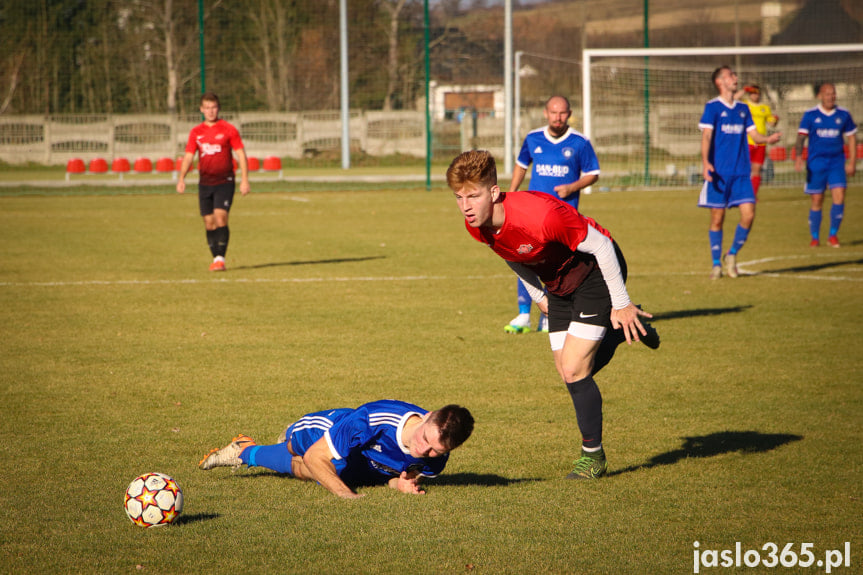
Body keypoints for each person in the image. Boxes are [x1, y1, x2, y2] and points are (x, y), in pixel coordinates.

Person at [446, 150, 658, 480]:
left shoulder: (540, 216)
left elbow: (601, 246)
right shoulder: (476, 225)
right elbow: (510, 254)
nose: (466, 206)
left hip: (594, 272)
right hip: (557, 282)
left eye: (473, 196)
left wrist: (621, 303)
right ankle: (616, 333)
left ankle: (593, 458)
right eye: (459, 197)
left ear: (494, 192)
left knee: (574, 369)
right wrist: (538, 296)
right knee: (566, 371)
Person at [198, 400, 474, 499]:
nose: (422, 449)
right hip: (329, 426)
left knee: (339, 469)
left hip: (363, 455)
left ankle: (246, 449)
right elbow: (315, 457)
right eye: (425, 438)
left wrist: (397, 484)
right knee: (312, 456)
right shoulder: (373, 419)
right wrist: (346, 496)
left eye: (434, 450)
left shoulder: (435, 460)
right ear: (426, 416)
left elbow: (390, 475)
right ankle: (250, 451)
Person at [505, 95, 601, 334]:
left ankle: (550, 316)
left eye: (563, 113)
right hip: (530, 214)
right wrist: (512, 192)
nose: (558, 118)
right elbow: (521, 164)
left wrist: (572, 187)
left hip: (563, 219)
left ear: (569, 114)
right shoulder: (533, 138)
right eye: (553, 113)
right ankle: (524, 314)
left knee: (555, 267)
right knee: (524, 258)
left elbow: (593, 173)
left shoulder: (580, 142)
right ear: (546, 113)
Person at [699, 66, 781, 279]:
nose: (735, 78)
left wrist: (768, 139)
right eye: (730, 75)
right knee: (717, 219)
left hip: (741, 174)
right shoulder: (713, 107)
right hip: (719, 173)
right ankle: (716, 264)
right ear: (719, 82)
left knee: (749, 215)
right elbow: (707, 136)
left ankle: (732, 254)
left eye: (734, 75)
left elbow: (754, 134)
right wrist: (705, 162)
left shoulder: (743, 109)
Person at [176, 92, 250, 271]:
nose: (210, 111)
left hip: (225, 181)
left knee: (220, 217)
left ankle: (220, 259)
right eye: (207, 108)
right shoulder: (196, 132)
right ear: (201, 110)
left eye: (214, 107)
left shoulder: (229, 129)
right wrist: (181, 178)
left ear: (218, 108)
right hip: (205, 183)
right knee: (209, 222)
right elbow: (188, 156)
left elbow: (240, 153)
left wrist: (245, 180)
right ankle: (216, 257)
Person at [794, 82, 857, 248]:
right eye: (828, 94)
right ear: (820, 96)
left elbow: (851, 138)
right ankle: (815, 237)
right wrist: (799, 156)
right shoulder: (810, 115)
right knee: (817, 200)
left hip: (837, 163)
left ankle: (833, 236)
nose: (831, 97)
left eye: (833, 93)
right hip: (816, 164)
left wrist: (852, 162)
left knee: (840, 196)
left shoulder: (843, 114)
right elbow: (801, 137)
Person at [736, 84, 779, 199]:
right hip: (747, 142)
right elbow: (733, 99)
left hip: (761, 143)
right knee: (743, 169)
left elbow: (771, 122)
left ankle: (752, 195)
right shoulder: (745, 104)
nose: (754, 95)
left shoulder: (765, 108)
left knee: (757, 169)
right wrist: (744, 89)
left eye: (756, 93)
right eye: (752, 93)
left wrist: (775, 120)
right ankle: (740, 193)